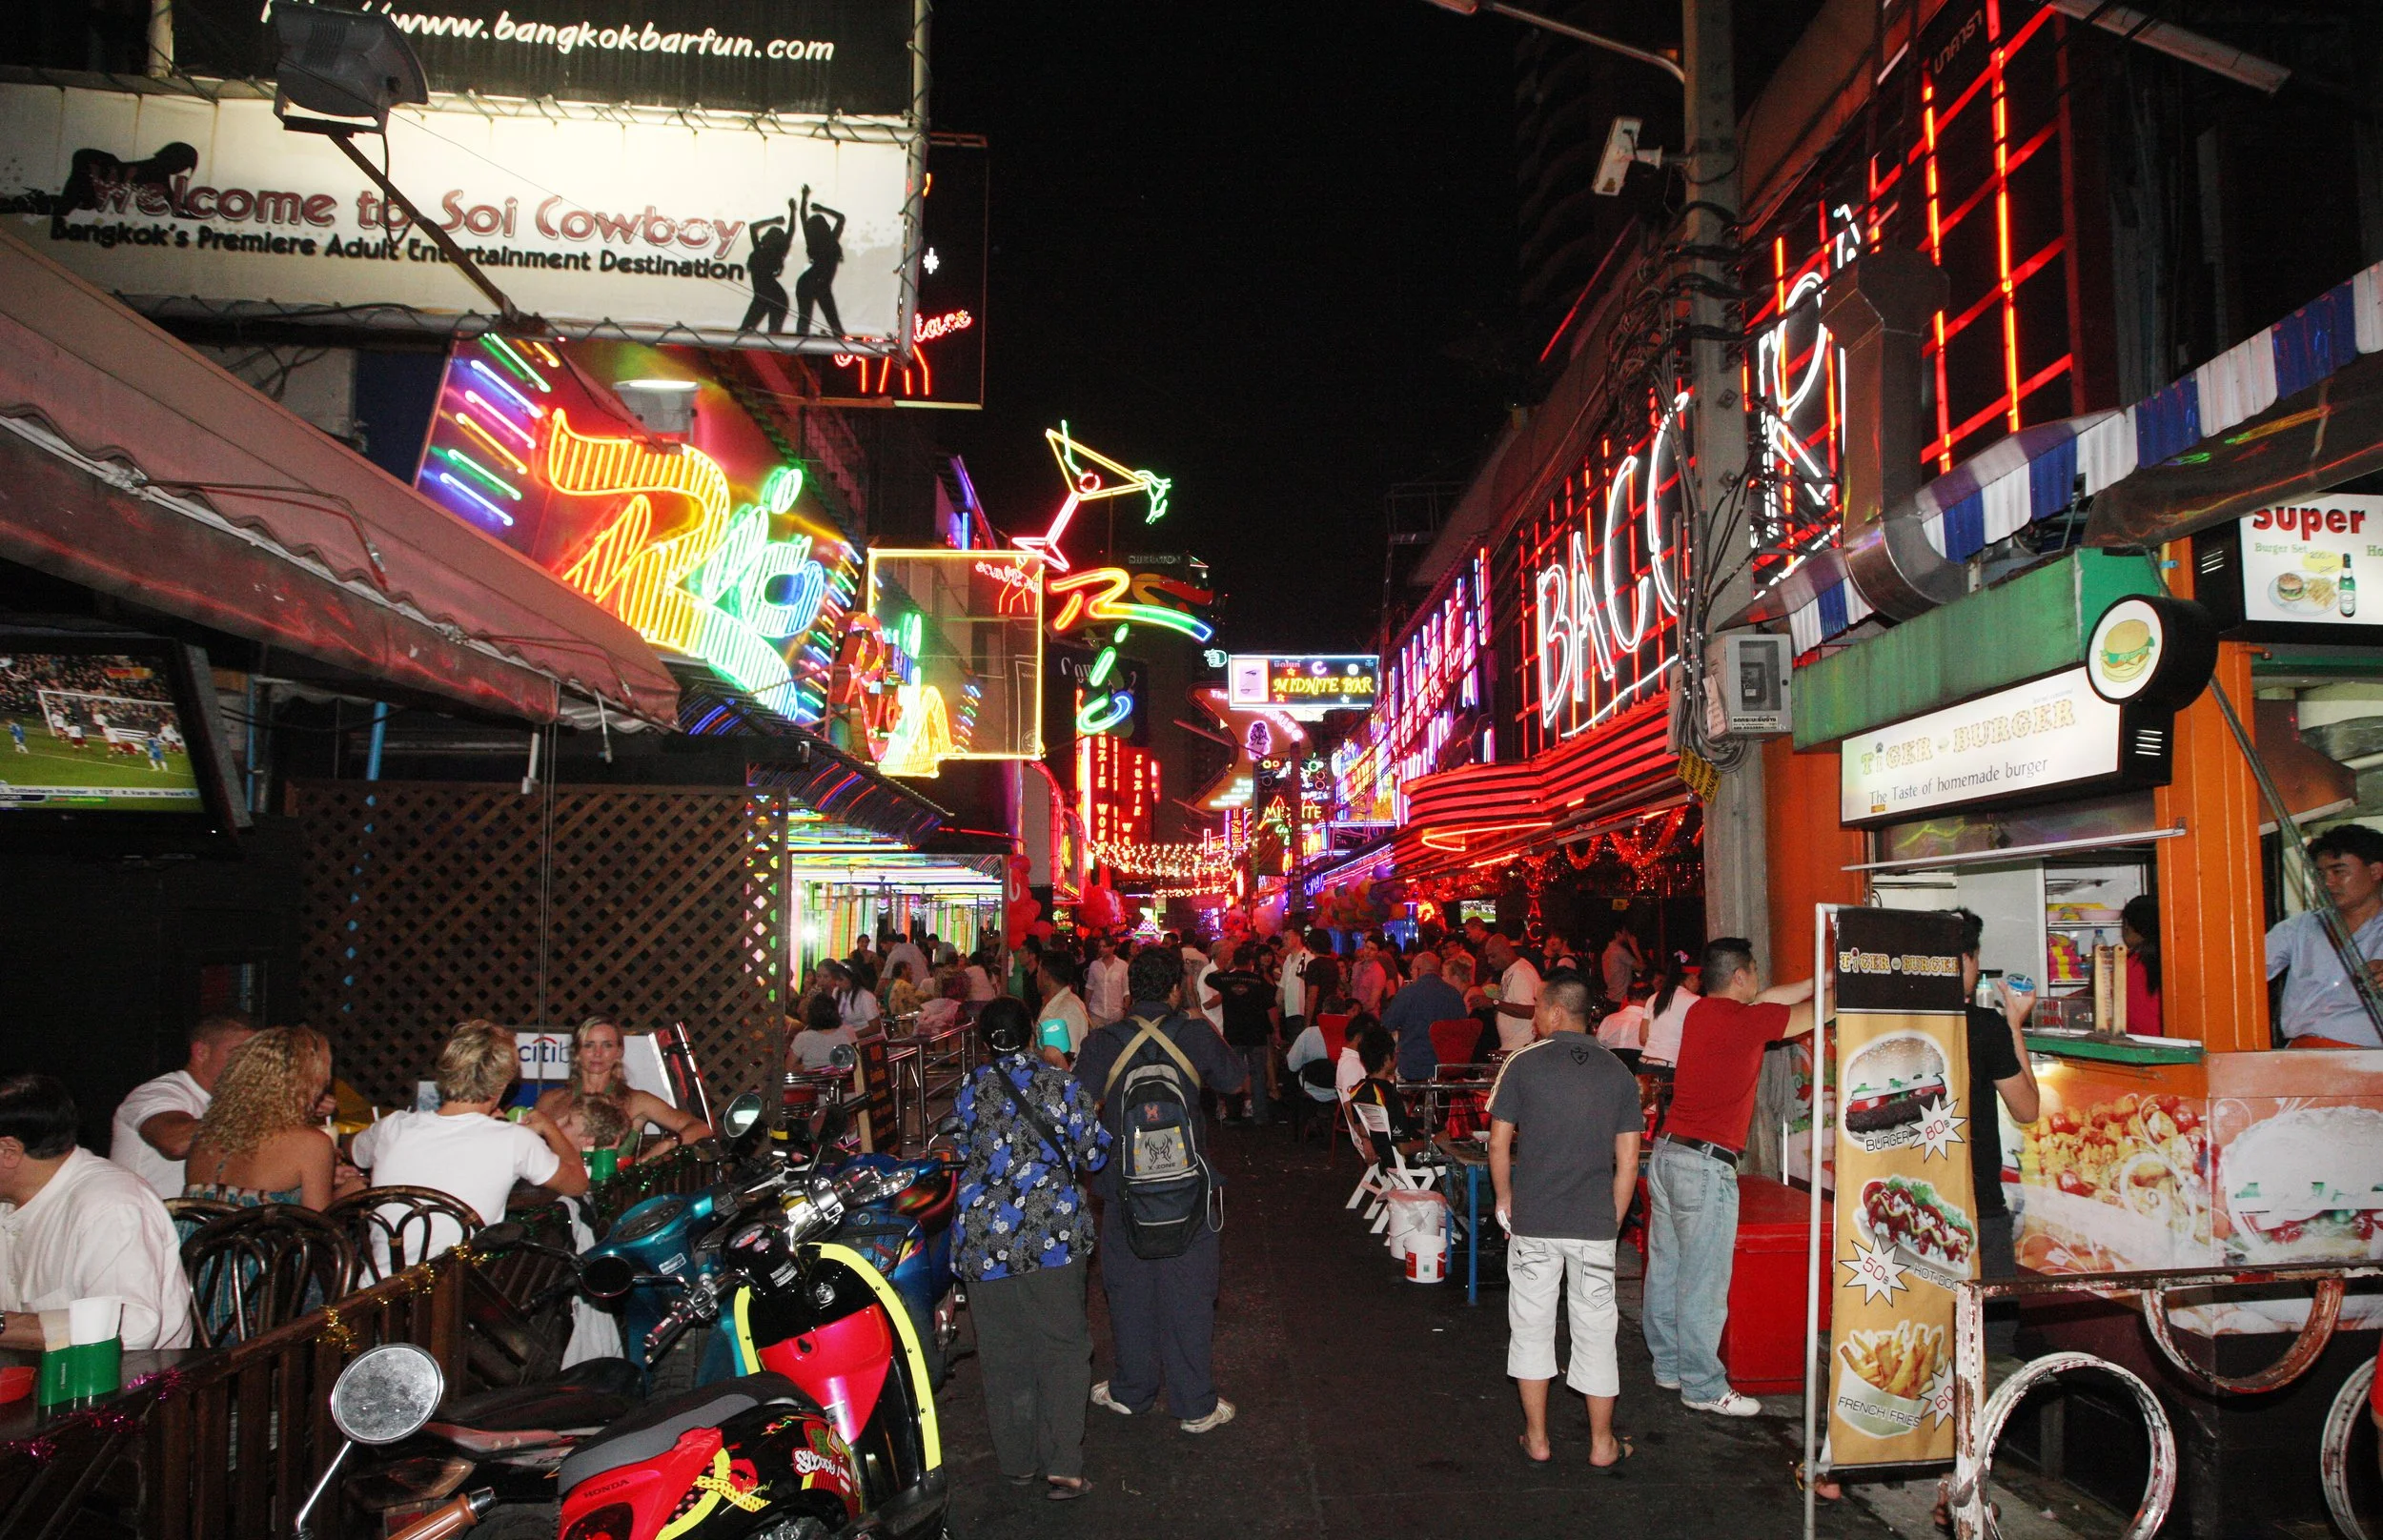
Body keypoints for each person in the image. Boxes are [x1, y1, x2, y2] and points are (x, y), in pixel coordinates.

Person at [1072, 949, 1248, 1432]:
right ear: (1177, 988)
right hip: (1189, 1191)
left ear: (1131, 991)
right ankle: (1194, 1404)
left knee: (1127, 1291)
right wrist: (1200, 1019)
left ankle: (1132, 1391)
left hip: (1122, 1189)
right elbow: (1235, 1080)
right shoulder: (1192, 1033)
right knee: (1191, 1294)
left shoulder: (1103, 1041)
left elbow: (1076, 1108)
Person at [1644, 938, 1815, 1417]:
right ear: (1741, 975)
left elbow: (1772, 1000)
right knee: (1702, 1280)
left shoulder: (1701, 1012)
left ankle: (1670, 1366)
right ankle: (1702, 1386)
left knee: (1669, 1268)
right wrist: (1847, 987)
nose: (1760, 982)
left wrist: (1812, 981)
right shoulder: (1747, 1021)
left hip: (1669, 1153)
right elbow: (1810, 1014)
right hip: (1703, 1166)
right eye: (1755, 972)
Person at [950, 998, 1110, 1499]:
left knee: (1003, 1353)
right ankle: (1064, 1463)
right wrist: (1061, 1069)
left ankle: (1018, 1461)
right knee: (1063, 1347)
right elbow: (1096, 1152)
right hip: (1053, 1239)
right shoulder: (1060, 1085)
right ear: (1035, 1036)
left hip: (985, 1242)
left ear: (982, 1041)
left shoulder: (970, 1090)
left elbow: (955, 1152)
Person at [1489, 976, 1641, 1469]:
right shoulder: (1618, 1072)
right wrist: (1612, 1219)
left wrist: (1505, 1199)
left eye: (1537, 1008)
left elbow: (1497, 1143)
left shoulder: (1523, 1063)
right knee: (1596, 1330)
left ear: (1555, 1012)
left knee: (1531, 1326)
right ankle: (1602, 1443)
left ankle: (1537, 1438)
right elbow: (1629, 1160)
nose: (1534, 1016)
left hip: (1534, 1220)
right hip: (1593, 1223)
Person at [350, 1021, 588, 1259]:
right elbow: (578, 1184)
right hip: (454, 1291)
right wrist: (548, 1127)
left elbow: (350, 1149)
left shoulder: (392, 1127)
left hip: (376, 1289)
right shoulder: (515, 1140)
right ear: (502, 1084)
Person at [0, 1074, 194, 1351]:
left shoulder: (111, 1205)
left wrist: (5, 1325)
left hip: (129, 1387)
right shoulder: (9, 1200)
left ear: (9, 1151)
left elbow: (131, 1328)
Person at [1950, 910, 2043, 1356]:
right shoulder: (1984, 1028)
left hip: (1918, 1205)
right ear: (1968, 960)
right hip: (1979, 1205)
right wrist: (2013, 1024)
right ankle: (1987, 1421)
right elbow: (2026, 1108)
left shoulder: (1894, 1021)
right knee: (1994, 1337)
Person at [181, 1026, 356, 1211]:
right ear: (310, 1082)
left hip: (198, 1239)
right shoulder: (311, 1143)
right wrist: (346, 1195)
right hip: (258, 1239)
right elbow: (316, 1225)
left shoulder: (205, 1134)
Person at [109, 1012, 256, 1199]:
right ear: (202, 1052)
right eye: (240, 1054)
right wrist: (261, 1115)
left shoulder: (230, 1100)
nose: (251, 1065)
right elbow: (175, 1142)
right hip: (143, 1223)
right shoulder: (157, 1093)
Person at [534, 1018, 711, 1163]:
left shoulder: (637, 1100)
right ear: (577, 1051)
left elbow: (702, 1128)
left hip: (613, 1196)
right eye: (589, 1045)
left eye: (607, 1045)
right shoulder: (550, 1099)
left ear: (619, 1051)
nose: (597, 1053)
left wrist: (666, 1146)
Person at [2269, 824, 2383, 1047]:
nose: (2327, 882)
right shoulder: (2299, 928)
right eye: (2320, 874)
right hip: (2301, 1056)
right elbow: (2242, 970)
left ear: (2376, 871)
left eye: (2338, 871)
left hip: (2370, 1063)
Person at [1209, 942, 1275, 1125]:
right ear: (1251, 962)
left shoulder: (1226, 980)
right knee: (1258, 1075)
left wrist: (1228, 968)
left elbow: (1209, 978)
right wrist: (1275, 1031)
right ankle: (1260, 1116)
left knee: (1234, 1074)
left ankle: (1234, 1115)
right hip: (1256, 1034)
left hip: (1234, 1034)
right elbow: (1271, 1004)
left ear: (1234, 961)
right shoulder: (1258, 981)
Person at [1383, 949, 1468, 1083]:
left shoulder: (1407, 994)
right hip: (1448, 1069)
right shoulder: (1454, 995)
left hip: (1414, 1068)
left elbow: (1387, 1024)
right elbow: (1463, 1030)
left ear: (1418, 969)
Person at [1484, 934, 1542, 1054]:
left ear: (1505, 951)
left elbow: (1529, 1011)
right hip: (1514, 1046)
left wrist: (1493, 1003)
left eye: (1493, 956)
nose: (1489, 961)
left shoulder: (1521, 972)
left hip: (1522, 1048)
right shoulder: (1510, 970)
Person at [1638, 960, 1699, 1073]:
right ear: (1692, 978)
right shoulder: (1694, 1001)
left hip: (1645, 1063)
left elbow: (1642, 1037)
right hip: (1669, 1066)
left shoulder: (1653, 998)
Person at [1035, 954, 1093, 1067]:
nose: (1036, 977)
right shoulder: (1055, 1003)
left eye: (1038, 972)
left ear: (1047, 976)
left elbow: (1066, 1061)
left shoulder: (1069, 1010)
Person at [2122, 895, 2163, 1037]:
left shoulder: (2122, 966)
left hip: (2136, 1050)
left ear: (2127, 925)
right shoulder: (2173, 960)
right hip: (2178, 1047)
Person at [789, 993, 859, 1071]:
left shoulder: (802, 1038)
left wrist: (806, 1067)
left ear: (811, 1014)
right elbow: (856, 1061)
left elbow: (788, 1068)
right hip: (842, 1081)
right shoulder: (848, 1031)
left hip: (812, 1081)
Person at [1085, 934, 1130, 1028]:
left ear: (1113, 947)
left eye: (1104, 947)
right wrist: (1086, 1008)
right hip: (1096, 1012)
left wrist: (1125, 1010)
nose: (1101, 949)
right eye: (1100, 947)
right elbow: (1089, 988)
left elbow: (1126, 990)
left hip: (1116, 1013)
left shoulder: (1122, 965)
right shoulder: (1094, 965)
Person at [1601, 923, 1644, 1004]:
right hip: (1621, 998)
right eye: (1625, 933)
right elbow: (1642, 968)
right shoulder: (1620, 951)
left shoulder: (1606, 951)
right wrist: (1635, 947)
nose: (1627, 936)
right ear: (1618, 934)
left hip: (1612, 996)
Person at [834, 962, 884, 1031]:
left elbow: (875, 1028)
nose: (837, 983)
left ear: (851, 978)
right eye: (836, 979)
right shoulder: (837, 992)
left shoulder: (865, 996)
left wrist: (850, 1036)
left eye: (841, 980)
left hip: (867, 1039)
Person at [883, 928, 929, 993]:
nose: (883, 949)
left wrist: (876, 995)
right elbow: (926, 962)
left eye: (883, 946)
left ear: (888, 943)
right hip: (926, 984)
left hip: (912, 988)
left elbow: (885, 977)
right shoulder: (913, 946)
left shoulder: (894, 954)